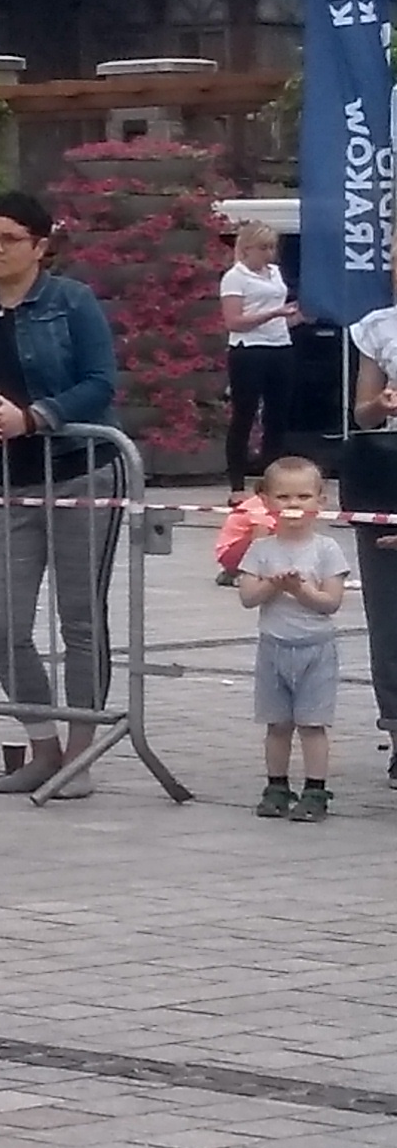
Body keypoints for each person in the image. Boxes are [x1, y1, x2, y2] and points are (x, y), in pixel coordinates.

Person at [0, 189, 122, 797]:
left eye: (10, 239)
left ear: (40, 246)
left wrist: (37, 416)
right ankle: (42, 742)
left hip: (79, 470)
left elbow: (100, 382)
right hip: (5, 478)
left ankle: (81, 750)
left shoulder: (71, 302)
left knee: (80, 618)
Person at [239, 456, 349, 823]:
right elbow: (247, 597)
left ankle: (315, 789)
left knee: (312, 724)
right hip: (273, 647)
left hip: (316, 649)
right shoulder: (261, 549)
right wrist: (272, 584)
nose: (294, 505)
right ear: (267, 501)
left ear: (320, 500)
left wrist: (301, 590)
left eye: (303, 497)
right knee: (277, 724)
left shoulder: (327, 549)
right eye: (284, 497)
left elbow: (330, 603)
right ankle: (276, 785)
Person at [220, 222, 299, 485]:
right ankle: (237, 483)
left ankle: (272, 479)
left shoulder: (275, 273)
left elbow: (280, 317)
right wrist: (274, 313)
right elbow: (234, 321)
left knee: (278, 416)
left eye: (272, 248)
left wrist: (297, 316)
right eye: (263, 248)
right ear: (247, 249)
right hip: (249, 349)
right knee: (245, 414)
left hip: (280, 345)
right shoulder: (235, 276)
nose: (269, 254)